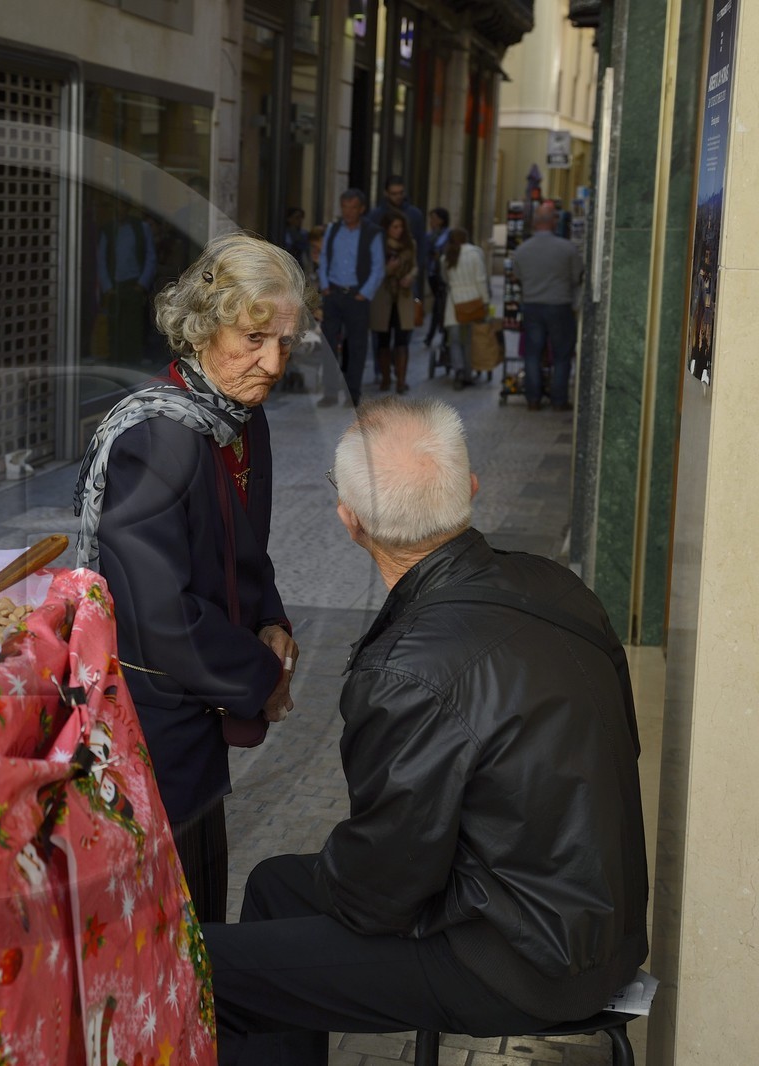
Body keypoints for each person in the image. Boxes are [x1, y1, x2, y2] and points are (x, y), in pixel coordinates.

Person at [204, 398, 649, 1065]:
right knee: (273, 885)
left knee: (211, 968)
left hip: (516, 961)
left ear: (350, 524)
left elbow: (381, 893)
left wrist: (349, 876)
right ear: (470, 489)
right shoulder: (561, 587)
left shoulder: (405, 670)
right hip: (595, 923)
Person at [72, 232, 302, 930]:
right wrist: (262, 677)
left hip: (196, 721)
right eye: (254, 337)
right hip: (150, 730)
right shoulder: (158, 437)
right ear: (206, 327)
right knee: (161, 933)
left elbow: (245, 555)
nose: (272, 362)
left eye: (286, 342)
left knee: (198, 921)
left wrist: (273, 620)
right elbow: (159, 615)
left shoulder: (237, 419)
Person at [510, 201, 584, 411]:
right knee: (562, 355)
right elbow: (576, 276)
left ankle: (533, 399)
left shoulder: (522, 250)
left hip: (532, 306)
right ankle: (559, 400)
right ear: (553, 222)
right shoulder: (567, 248)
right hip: (559, 305)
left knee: (533, 354)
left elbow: (517, 276)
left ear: (534, 223)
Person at [317, 189, 384, 407]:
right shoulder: (334, 229)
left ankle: (352, 392)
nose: (348, 212)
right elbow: (324, 258)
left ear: (361, 209)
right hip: (333, 293)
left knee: (356, 346)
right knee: (328, 343)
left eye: (352, 207)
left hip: (357, 296)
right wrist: (325, 286)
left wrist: (364, 293)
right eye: (344, 206)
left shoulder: (372, 233)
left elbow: (378, 267)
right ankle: (330, 392)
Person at [97, 201, 159, 362]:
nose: (119, 210)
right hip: (114, 285)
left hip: (134, 283)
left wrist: (142, 284)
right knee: (114, 326)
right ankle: (115, 359)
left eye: (123, 206)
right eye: (116, 207)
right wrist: (107, 286)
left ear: (128, 208)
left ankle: (133, 360)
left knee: (133, 326)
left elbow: (150, 257)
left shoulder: (141, 228)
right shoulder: (108, 229)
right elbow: (101, 259)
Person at [369, 212, 418, 393]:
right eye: (394, 227)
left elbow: (415, 265)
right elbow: (372, 270)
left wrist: (410, 276)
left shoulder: (410, 243)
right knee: (382, 339)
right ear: (387, 228)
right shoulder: (378, 245)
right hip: (383, 296)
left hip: (403, 296)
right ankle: (386, 378)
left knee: (402, 340)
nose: (398, 231)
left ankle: (401, 381)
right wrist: (388, 270)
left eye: (400, 227)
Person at [441, 228, 492, 389]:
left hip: (454, 302)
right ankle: (469, 373)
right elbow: (481, 279)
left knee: (455, 340)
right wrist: (486, 301)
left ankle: (459, 371)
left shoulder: (445, 257)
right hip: (474, 300)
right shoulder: (475, 254)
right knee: (470, 339)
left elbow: (445, 279)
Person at [368, 175, 429, 297]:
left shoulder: (414, 215)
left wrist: (413, 274)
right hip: (381, 280)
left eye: (400, 193)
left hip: (407, 278)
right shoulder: (375, 216)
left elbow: (422, 247)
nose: (398, 197)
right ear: (386, 193)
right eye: (394, 193)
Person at [422, 208, 451, 348]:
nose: (431, 221)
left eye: (434, 218)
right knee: (438, 304)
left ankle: (435, 334)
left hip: (444, 276)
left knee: (439, 305)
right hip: (433, 274)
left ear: (441, 220)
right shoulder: (428, 236)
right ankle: (438, 333)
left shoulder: (448, 235)